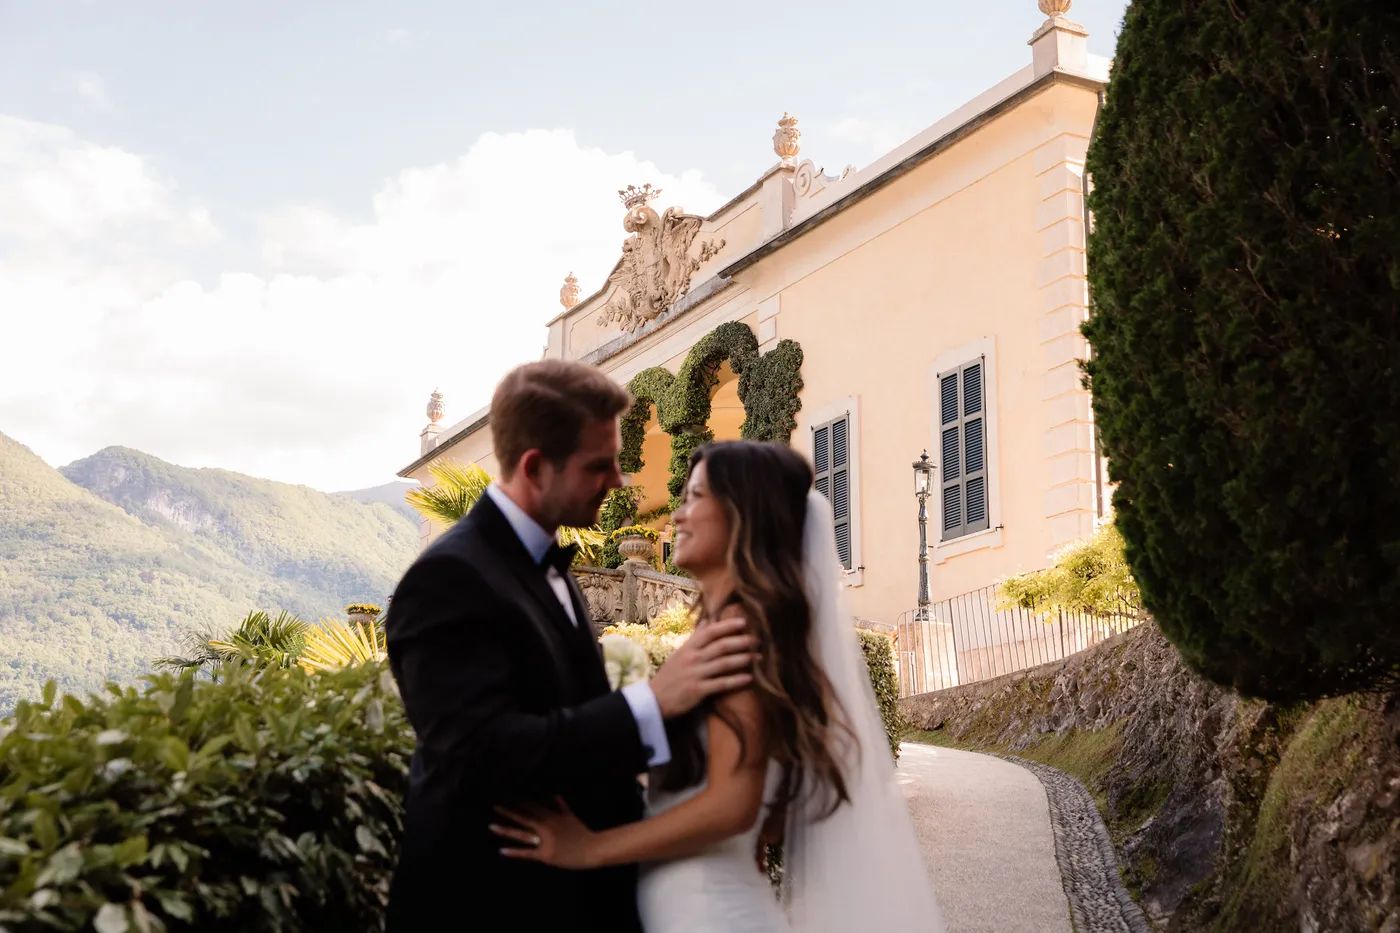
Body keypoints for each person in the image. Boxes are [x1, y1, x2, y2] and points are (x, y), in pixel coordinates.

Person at [491, 440, 945, 932]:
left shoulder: (740, 634)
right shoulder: (750, 631)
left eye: (695, 498)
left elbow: (734, 804)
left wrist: (590, 848)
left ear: (744, 515)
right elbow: (768, 815)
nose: (678, 517)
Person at [383, 361, 759, 932]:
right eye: (598, 466)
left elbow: (570, 723)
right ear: (535, 468)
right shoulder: (447, 580)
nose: (619, 481)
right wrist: (652, 703)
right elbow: (484, 755)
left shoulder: (546, 564)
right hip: (491, 903)